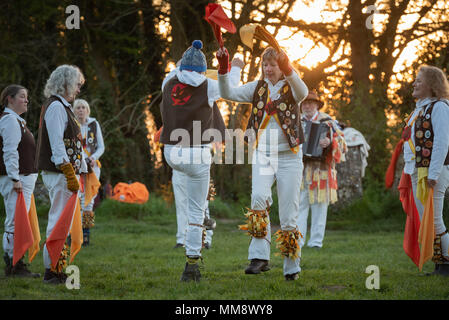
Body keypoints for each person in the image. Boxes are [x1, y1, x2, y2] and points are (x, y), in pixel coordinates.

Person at [217, 46, 308, 280]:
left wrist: (289, 69)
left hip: (290, 155)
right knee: (258, 197)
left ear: (282, 66)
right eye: (265, 65)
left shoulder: (292, 86)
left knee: (289, 213)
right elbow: (227, 92)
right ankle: (259, 257)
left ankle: (291, 267)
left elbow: (303, 93)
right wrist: (224, 67)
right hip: (263, 154)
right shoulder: (257, 88)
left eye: (273, 65)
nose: (268, 69)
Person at [160, 40, 242, 282]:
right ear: (202, 71)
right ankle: (192, 264)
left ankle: (194, 225)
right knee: (197, 211)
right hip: (196, 153)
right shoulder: (208, 87)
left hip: (171, 153)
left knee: (187, 195)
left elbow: (178, 70)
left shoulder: (168, 81)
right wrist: (233, 62)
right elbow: (232, 87)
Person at [36, 64, 87, 284]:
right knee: (58, 219)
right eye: (76, 85)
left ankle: (57, 266)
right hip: (59, 173)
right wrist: (68, 171)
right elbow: (57, 143)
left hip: (64, 173)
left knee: (62, 221)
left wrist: (82, 169)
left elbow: (73, 143)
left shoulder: (62, 106)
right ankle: (52, 269)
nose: (78, 90)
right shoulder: (56, 107)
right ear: (65, 83)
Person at [402, 65, 449, 275]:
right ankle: (441, 263)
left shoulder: (439, 107)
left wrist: (433, 174)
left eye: (419, 80)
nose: (414, 83)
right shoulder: (419, 109)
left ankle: (446, 263)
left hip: (431, 173)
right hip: (417, 171)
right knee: (428, 221)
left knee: (434, 220)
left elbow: (442, 142)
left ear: (431, 85)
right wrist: (407, 170)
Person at [296, 91, 346, 249]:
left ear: (317, 105)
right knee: (299, 208)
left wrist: (329, 141)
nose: (307, 106)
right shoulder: (296, 122)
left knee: (319, 207)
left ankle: (316, 243)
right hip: (301, 171)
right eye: (304, 103)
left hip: (321, 170)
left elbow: (343, 143)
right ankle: (299, 241)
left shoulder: (328, 121)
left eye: (311, 102)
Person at [0, 84, 40, 278]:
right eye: (22, 96)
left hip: (23, 178)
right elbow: (10, 152)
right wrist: (15, 178)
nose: (26, 100)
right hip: (17, 180)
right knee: (14, 222)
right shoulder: (9, 120)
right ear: (10, 98)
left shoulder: (17, 121)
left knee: (19, 221)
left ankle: (17, 263)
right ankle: (13, 265)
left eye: (27, 97)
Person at [73, 98, 105, 246]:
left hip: (93, 165)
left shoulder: (94, 124)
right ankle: (74, 233)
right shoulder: (72, 125)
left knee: (89, 200)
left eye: (83, 107)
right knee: (77, 199)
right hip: (77, 166)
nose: (80, 110)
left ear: (87, 110)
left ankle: (86, 234)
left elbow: (101, 147)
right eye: (78, 107)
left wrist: (93, 158)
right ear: (74, 110)